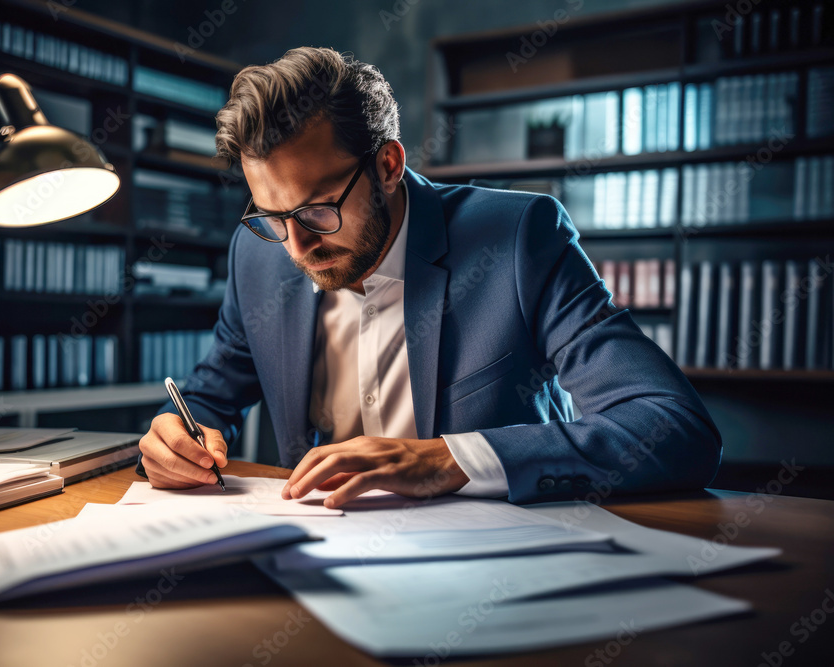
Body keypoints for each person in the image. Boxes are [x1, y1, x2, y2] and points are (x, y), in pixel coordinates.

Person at [136, 47, 721, 508]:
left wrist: (450, 460)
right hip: (320, 563)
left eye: (317, 209)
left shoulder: (518, 238)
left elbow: (672, 428)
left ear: (388, 166)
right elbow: (209, 399)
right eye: (272, 215)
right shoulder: (255, 254)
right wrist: (175, 435)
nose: (297, 245)